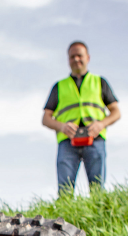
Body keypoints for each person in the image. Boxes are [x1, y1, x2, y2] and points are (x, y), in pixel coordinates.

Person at [42, 41, 121, 197]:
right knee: (65, 190)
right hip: (67, 141)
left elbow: (116, 112)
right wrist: (62, 126)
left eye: (80, 56)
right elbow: (46, 118)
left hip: (95, 139)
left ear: (88, 58)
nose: (76, 59)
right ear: (68, 60)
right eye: (72, 57)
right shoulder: (59, 86)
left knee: (97, 189)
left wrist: (101, 124)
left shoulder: (99, 82)